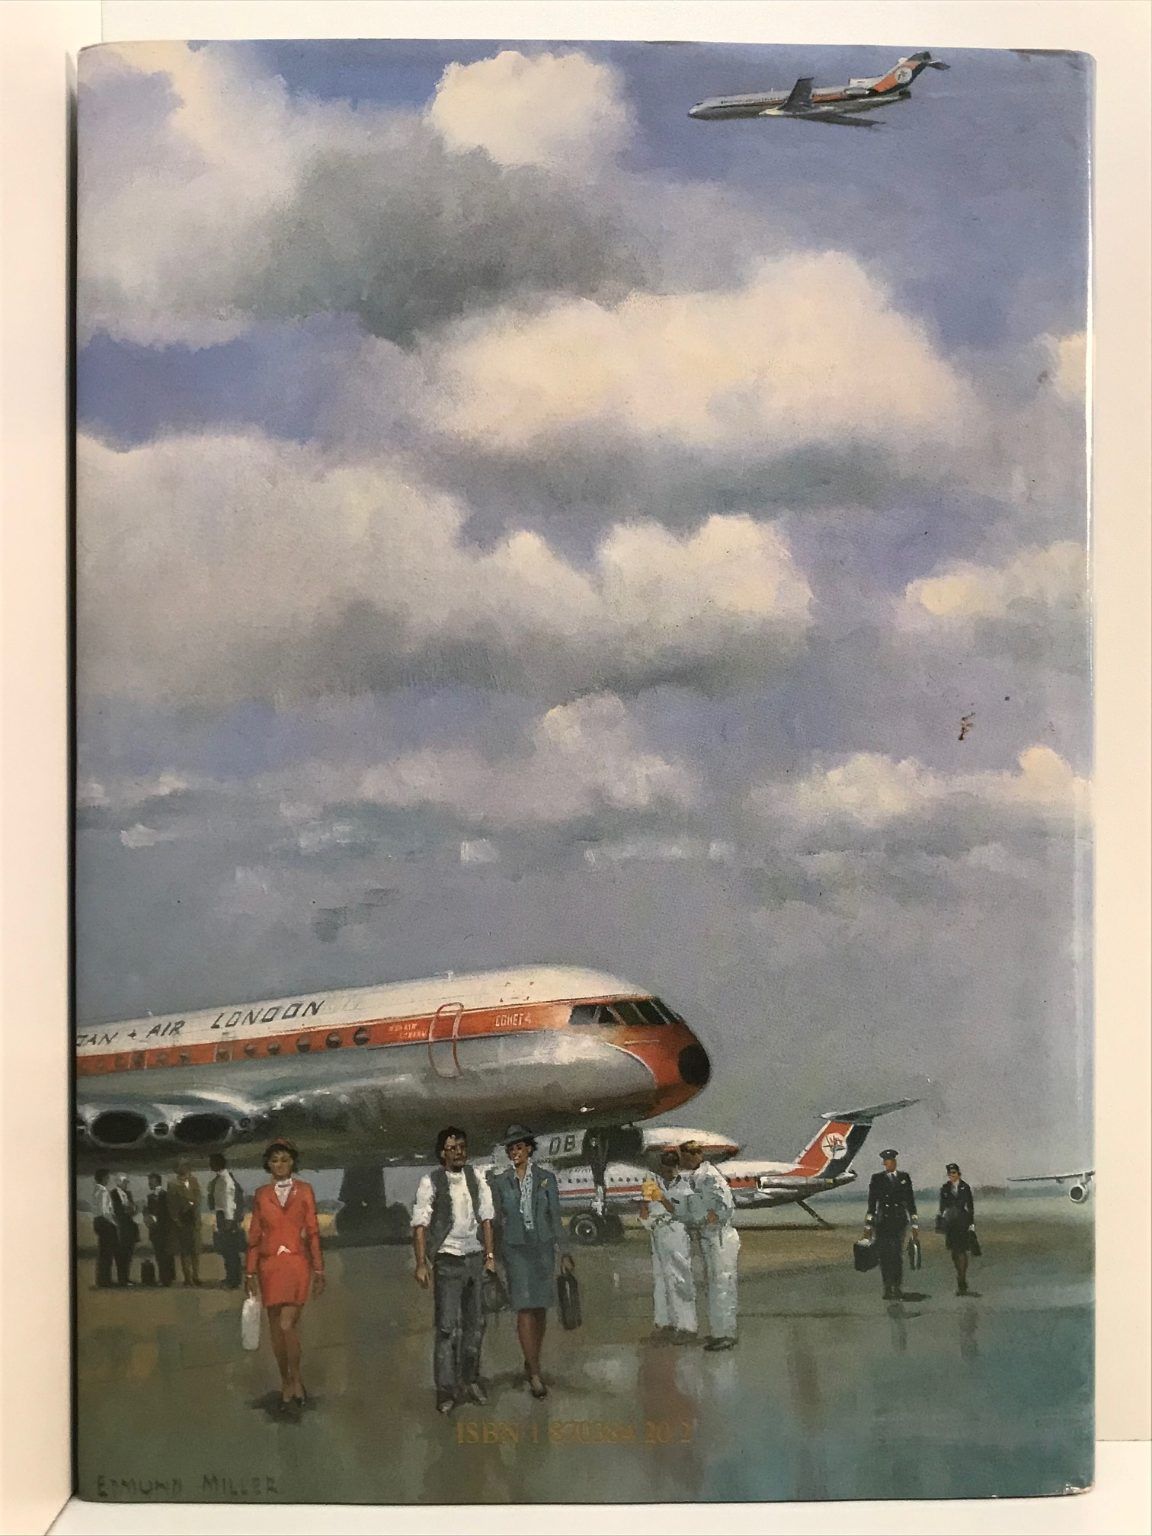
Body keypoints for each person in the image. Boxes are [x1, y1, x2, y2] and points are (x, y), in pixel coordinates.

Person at [411, 1126, 497, 1415]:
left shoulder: (477, 1177)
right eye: (452, 1148)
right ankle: (446, 1390)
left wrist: (489, 1256)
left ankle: (470, 1381)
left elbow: (486, 1218)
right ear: (442, 1153)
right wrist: (421, 1263)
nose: (459, 1152)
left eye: (462, 1147)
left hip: (474, 1259)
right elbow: (420, 1225)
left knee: (476, 1326)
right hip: (447, 1261)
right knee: (447, 1329)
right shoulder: (431, 1181)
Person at [488, 1124, 573, 1399]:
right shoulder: (500, 1182)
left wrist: (565, 1251)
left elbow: (555, 1216)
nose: (514, 1152)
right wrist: (492, 1255)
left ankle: (531, 1359)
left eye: (519, 1147)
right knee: (524, 1309)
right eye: (510, 1149)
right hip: (515, 1250)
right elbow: (494, 1221)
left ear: (528, 1149)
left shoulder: (547, 1179)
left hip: (542, 1248)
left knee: (539, 1309)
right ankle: (535, 1373)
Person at [245, 1139, 325, 1414]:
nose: (280, 1165)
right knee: (276, 1331)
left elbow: (313, 1232)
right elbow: (255, 1236)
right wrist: (249, 1271)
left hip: (296, 1265)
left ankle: (296, 1378)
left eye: (285, 1160)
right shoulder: (261, 1195)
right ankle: (285, 1380)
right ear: (268, 1164)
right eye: (275, 1160)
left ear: (293, 1163)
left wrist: (319, 1269)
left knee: (287, 1324)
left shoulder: (305, 1191)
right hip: (269, 1267)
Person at [673, 1139, 740, 1350]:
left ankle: (726, 1335)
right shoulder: (698, 1177)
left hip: (719, 1237)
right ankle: (719, 1332)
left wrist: (708, 1220)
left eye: (684, 1157)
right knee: (714, 1286)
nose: (682, 1162)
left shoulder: (710, 1176)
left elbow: (724, 1205)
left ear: (694, 1155)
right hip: (709, 1237)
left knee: (722, 1285)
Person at [639, 1148, 698, 1344]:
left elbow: (678, 1211)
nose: (667, 1171)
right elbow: (645, 1210)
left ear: (676, 1166)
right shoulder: (653, 1182)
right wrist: (646, 1202)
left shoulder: (684, 1187)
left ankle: (687, 1327)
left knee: (679, 1278)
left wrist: (661, 1198)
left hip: (675, 1231)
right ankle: (665, 1324)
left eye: (671, 1167)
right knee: (660, 1279)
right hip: (657, 1231)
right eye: (664, 1167)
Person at [865, 1148, 919, 1301]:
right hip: (882, 1222)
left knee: (896, 1255)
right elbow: (872, 1203)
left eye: (888, 1161)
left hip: (898, 1221)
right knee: (884, 1256)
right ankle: (887, 1288)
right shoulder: (877, 1179)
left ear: (894, 1162)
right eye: (885, 1161)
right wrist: (868, 1225)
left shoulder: (904, 1178)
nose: (886, 1164)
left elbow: (910, 1201)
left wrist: (914, 1223)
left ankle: (897, 1287)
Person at [208, 1152, 246, 1289]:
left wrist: (229, 1220)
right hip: (223, 1216)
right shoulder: (220, 1179)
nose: (210, 1165)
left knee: (230, 1250)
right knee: (227, 1250)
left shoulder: (225, 1180)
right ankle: (231, 1277)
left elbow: (229, 1201)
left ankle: (233, 1280)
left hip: (226, 1217)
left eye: (212, 1163)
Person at [938, 1162, 976, 1295]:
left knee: (962, 1250)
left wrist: (971, 1224)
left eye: (954, 1173)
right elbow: (942, 1206)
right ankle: (960, 1275)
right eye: (949, 1173)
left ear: (958, 1174)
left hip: (962, 1221)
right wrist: (943, 1218)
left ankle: (962, 1278)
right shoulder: (945, 1188)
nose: (952, 1175)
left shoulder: (965, 1187)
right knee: (954, 1251)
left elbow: (970, 1206)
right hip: (951, 1223)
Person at [167, 1159, 203, 1286]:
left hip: (194, 1220)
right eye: (182, 1167)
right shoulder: (173, 1184)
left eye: (186, 1167)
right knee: (185, 1251)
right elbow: (171, 1204)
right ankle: (188, 1278)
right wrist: (176, 1219)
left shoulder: (194, 1181)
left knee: (195, 1251)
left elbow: (198, 1197)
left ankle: (196, 1276)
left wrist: (193, 1204)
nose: (185, 1170)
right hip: (183, 1221)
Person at [144, 1172, 176, 1286]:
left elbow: (169, 1213)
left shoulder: (165, 1195)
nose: (149, 1184)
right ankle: (164, 1278)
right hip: (155, 1230)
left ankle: (166, 1279)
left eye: (151, 1182)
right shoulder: (150, 1197)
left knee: (165, 1255)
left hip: (165, 1230)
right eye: (149, 1182)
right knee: (160, 1255)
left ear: (157, 1182)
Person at [110, 1174, 140, 1286]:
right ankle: (122, 1279)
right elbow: (117, 1210)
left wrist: (131, 1209)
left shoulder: (128, 1193)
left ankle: (125, 1278)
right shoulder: (113, 1194)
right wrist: (129, 1209)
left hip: (129, 1227)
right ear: (119, 1182)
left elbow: (133, 1209)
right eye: (124, 1182)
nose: (126, 1184)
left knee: (128, 1253)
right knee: (120, 1253)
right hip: (120, 1227)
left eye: (126, 1182)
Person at [91, 1169, 118, 1288]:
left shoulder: (96, 1190)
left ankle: (102, 1279)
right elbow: (104, 1211)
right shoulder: (103, 1191)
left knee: (103, 1251)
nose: (108, 1180)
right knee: (107, 1252)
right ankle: (105, 1280)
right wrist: (114, 1223)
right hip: (104, 1222)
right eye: (107, 1178)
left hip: (97, 1221)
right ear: (103, 1178)